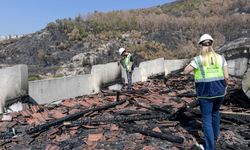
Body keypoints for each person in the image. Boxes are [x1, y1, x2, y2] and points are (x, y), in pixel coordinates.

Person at [183, 34, 229, 150]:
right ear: (212, 44)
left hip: (205, 93)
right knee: (215, 113)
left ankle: (210, 148)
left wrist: (193, 66)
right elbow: (226, 76)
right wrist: (225, 87)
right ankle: (215, 137)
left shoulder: (198, 59)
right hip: (220, 92)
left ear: (201, 45)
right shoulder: (220, 58)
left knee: (207, 119)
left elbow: (185, 71)